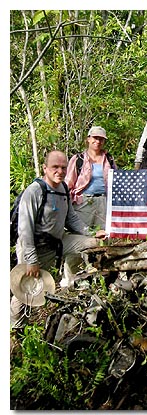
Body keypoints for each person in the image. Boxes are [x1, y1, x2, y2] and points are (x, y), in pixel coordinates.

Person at [11, 150, 107, 327]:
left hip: (57, 242)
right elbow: (25, 231)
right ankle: (15, 329)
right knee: (26, 289)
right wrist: (31, 261)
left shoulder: (63, 188)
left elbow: (72, 219)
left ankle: (74, 283)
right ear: (45, 168)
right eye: (55, 167)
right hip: (33, 247)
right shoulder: (34, 192)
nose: (60, 171)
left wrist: (92, 233)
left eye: (63, 167)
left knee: (92, 244)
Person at [65, 126, 117, 230]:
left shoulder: (109, 159)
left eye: (101, 139)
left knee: (104, 234)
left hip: (104, 201)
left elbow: (116, 180)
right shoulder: (78, 159)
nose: (98, 141)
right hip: (83, 201)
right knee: (82, 232)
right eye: (95, 138)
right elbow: (68, 182)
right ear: (88, 139)